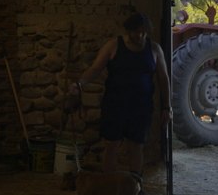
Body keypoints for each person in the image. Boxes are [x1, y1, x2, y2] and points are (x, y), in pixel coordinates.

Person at [68, 12, 171, 184]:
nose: (139, 35)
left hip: (141, 107)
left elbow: (163, 78)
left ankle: (134, 185)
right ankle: (108, 185)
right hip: (115, 104)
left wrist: (167, 107)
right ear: (128, 30)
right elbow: (95, 69)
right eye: (136, 32)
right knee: (111, 145)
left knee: (137, 145)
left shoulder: (154, 49)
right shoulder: (114, 46)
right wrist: (80, 84)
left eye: (143, 32)